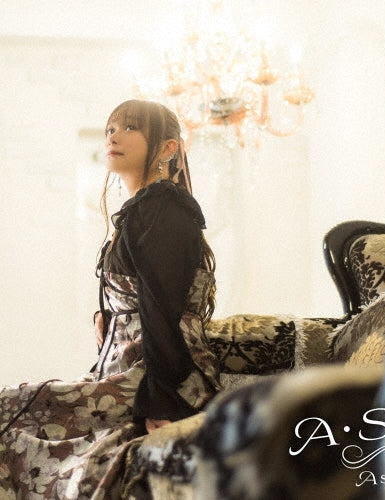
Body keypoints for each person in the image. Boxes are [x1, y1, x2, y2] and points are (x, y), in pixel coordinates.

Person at [0, 99, 221, 498]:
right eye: (110, 129)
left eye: (130, 127)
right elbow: (147, 293)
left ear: (168, 148)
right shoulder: (145, 209)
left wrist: (164, 402)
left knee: (7, 411)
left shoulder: (160, 209)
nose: (113, 136)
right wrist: (110, 316)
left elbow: (162, 310)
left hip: (157, 377)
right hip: (130, 369)